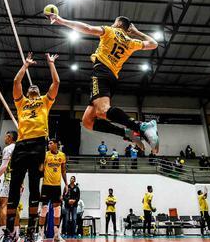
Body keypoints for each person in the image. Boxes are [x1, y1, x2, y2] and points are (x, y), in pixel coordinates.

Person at [47, 13, 159, 152]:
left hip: (101, 73)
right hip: (112, 77)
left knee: (103, 111)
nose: (112, 24)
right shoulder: (131, 42)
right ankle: (126, 133)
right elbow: (154, 44)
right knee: (88, 121)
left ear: (118, 24)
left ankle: (142, 126)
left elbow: (87, 28)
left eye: (114, 22)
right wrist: (136, 33)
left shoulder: (110, 31)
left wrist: (61, 20)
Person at [0, 52, 60, 242]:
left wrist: (50, 63)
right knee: (14, 190)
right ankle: (9, 234)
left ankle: (30, 235)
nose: (33, 88)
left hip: (38, 145)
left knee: (34, 189)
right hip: (22, 145)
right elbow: (16, 81)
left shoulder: (44, 101)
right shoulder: (21, 102)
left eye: (36, 87)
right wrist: (25, 65)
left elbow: (56, 82)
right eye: (30, 87)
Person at [37, 139, 67, 242]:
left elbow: (63, 170)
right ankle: (40, 235)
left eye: (51, 143)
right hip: (46, 185)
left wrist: (66, 184)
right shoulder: (45, 155)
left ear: (56, 145)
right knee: (44, 210)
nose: (49, 145)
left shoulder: (62, 155)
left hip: (57, 187)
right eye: (48, 143)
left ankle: (57, 236)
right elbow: (40, 169)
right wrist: (40, 162)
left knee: (57, 211)